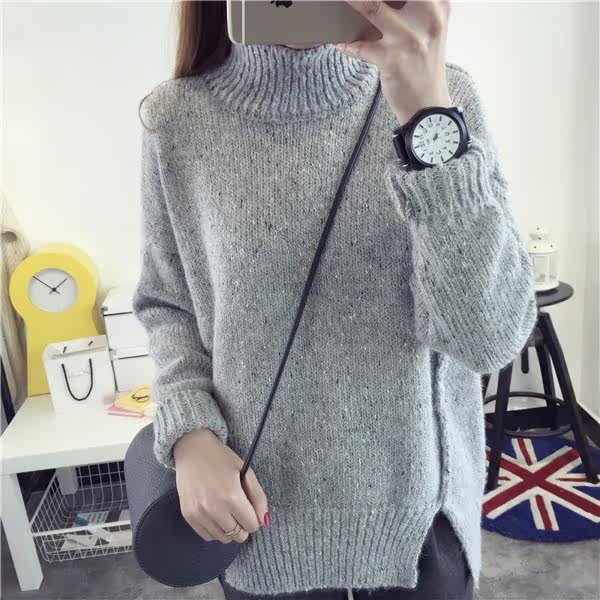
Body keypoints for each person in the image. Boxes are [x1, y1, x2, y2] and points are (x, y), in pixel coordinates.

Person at [131, 1, 537, 598]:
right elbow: (168, 305)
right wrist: (190, 434)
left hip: (418, 530)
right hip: (260, 519)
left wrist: (425, 119)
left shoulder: (443, 103)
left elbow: (489, 339)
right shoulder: (176, 121)